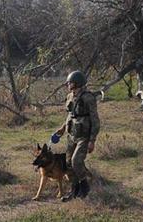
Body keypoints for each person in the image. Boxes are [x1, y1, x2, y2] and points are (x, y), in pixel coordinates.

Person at [55, 70, 100, 202]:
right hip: (72, 134)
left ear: (78, 83)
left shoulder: (88, 98)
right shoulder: (70, 96)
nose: (68, 84)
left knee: (76, 161)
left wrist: (92, 140)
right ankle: (74, 190)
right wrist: (63, 128)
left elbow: (95, 120)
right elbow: (71, 114)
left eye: (70, 82)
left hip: (84, 136)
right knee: (68, 163)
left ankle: (84, 187)